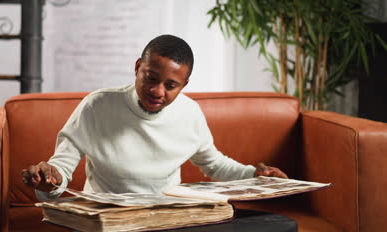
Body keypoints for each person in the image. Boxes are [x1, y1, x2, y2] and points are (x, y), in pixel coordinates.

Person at [22, 34, 288, 200]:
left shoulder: (190, 113)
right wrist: (50, 179)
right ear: (138, 67)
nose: (157, 91)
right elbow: (61, 169)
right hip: (109, 219)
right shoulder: (97, 105)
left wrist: (256, 175)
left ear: (184, 84)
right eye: (150, 78)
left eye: (171, 86)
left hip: (167, 216)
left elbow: (214, 164)